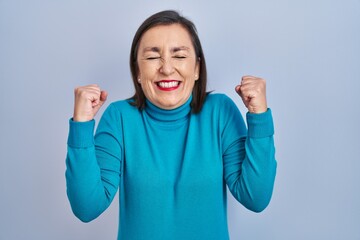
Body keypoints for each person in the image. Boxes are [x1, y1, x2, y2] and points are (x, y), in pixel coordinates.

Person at [66, 10, 277, 240]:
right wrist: (82, 126)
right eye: (152, 56)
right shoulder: (119, 117)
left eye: (179, 56)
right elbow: (86, 207)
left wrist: (259, 117)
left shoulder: (220, 112)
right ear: (137, 70)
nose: (166, 68)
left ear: (196, 68)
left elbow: (256, 197)